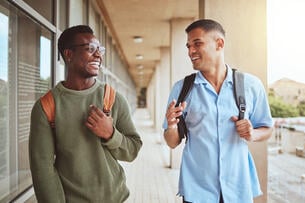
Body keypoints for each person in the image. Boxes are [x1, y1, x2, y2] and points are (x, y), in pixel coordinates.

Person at [163, 19, 273, 203]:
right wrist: (172, 126)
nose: (191, 51)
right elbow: (172, 142)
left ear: (219, 44)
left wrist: (252, 133)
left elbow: (268, 128)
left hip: (238, 190)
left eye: (197, 44)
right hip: (197, 191)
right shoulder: (182, 89)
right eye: (188, 46)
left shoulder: (251, 85)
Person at [29, 25, 142, 203]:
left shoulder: (112, 98)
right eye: (90, 49)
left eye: (100, 49)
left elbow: (133, 150)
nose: (98, 55)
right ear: (69, 54)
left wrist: (110, 134)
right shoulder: (46, 106)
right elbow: (42, 169)